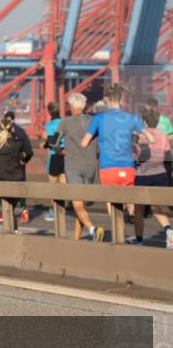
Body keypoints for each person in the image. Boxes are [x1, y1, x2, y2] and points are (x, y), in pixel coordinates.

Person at [81, 84, 153, 189]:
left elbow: (83, 144)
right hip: (128, 165)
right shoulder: (133, 118)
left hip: (107, 165)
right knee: (129, 199)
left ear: (106, 100)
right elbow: (152, 139)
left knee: (111, 199)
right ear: (121, 100)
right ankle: (129, 206)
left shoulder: (98, 118)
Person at [57, 92, 102, 241]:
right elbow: (101, 143)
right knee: (82, 204)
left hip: (73, 166)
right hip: (90, 166)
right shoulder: (94, 121)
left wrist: (61, 151)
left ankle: (93, 229)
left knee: (76, 203)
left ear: (70, 106)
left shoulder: (65, 122)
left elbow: (53, 143)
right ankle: (77, 238)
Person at [130, 107, 172, 247]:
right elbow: (167, 155)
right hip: (160, 174)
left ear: (144, 122)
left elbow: (133, 156)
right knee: (157, 208)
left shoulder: (140, 136)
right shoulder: (162, 136)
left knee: (139, 211)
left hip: (143, 175)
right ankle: (169, 231)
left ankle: (139, 241)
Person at [0, 118, 29, 230]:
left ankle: (11, 231)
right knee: (10, 209)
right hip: (17, 182)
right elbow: (28, 152)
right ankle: (13, 230)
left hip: (1, 181)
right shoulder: (18, 144)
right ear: (12, 129)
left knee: (7, 209)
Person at [42, 102, 66, 222]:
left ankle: (54, 211)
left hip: (55, 156)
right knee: (62, 185)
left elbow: (52, 141)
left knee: (52, 186)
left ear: (49, 112)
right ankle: (61, 209)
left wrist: (45, 144)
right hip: (66, 156)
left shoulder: (50, 125)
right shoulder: (65, 123)